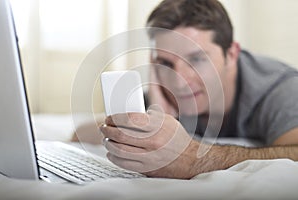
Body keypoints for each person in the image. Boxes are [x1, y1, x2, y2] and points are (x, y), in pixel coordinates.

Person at [81, 0, 298, 179]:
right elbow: (79, 133)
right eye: (166, 63)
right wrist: (154, 119)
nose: (180, 82)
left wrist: (195, 159)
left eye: (197, 59)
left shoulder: (279, 89)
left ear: (231, 55)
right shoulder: (165, 90)